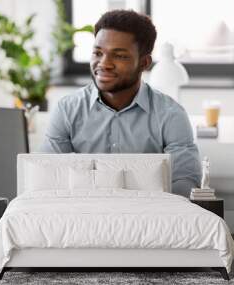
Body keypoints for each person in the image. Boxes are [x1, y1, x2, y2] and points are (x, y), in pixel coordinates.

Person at [40, 10, 201, 197]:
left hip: (149, 217)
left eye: (120, 56)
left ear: (144, 63)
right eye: (98, 53)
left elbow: (184, 181)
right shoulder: (67, 110)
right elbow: (47, 176)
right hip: (83, 216)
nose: (104, 63)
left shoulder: (171, 114)